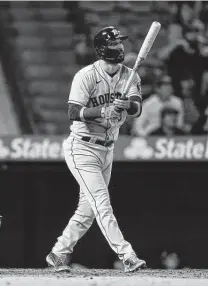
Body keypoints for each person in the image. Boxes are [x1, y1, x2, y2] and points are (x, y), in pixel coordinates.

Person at [46, 26, 146, 273]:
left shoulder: (130, 75)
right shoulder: (86, 76)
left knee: (87, 210)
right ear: (102, 49)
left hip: (107, 149)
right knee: (102, 203)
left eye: (121, 44)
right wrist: (102, 111)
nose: (120, 48)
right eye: (115, 44)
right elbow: (73, 111)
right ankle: (127, 255)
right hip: (82, 147)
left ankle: (58, 253)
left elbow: (137, 108)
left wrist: (126, 105)